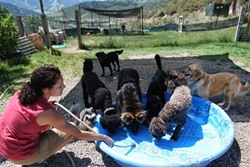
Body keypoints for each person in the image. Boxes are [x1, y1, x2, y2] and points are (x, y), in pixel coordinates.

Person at [0, 65, 114, 167]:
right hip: (20, 155)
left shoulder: (21, 93)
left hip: (5, 147)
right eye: (60, 86)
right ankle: (35, 161)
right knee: (70, 128)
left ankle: (35, 157)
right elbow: (78, 134)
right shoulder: (47, 113)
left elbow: (29, 114)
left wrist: (47, 106)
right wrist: (101, 136)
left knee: (47, 126)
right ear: (45, 89)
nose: (64, 86)